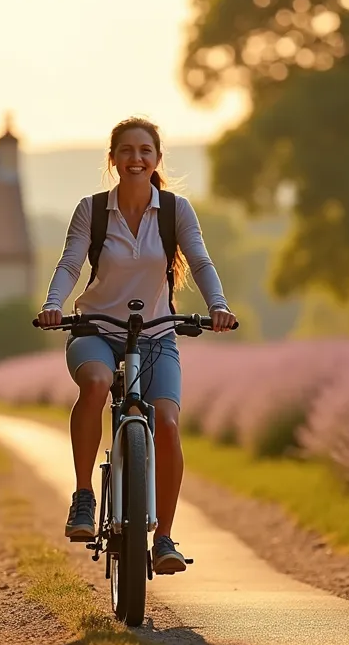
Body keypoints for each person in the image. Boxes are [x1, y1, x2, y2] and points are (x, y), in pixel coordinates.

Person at [35, 116, 237, 575]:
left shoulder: (175, 210)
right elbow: (70, 263)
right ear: (113, 160)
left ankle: (163, 535)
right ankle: (84, 496)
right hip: (96, 329)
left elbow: (200, 262)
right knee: (97, 383)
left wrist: (218, 305)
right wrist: (52, 303)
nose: (135, 158)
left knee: (165, 422)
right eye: (126, 150)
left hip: (157, 333)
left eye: (145, 150)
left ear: (157, 159)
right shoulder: (91, 209)